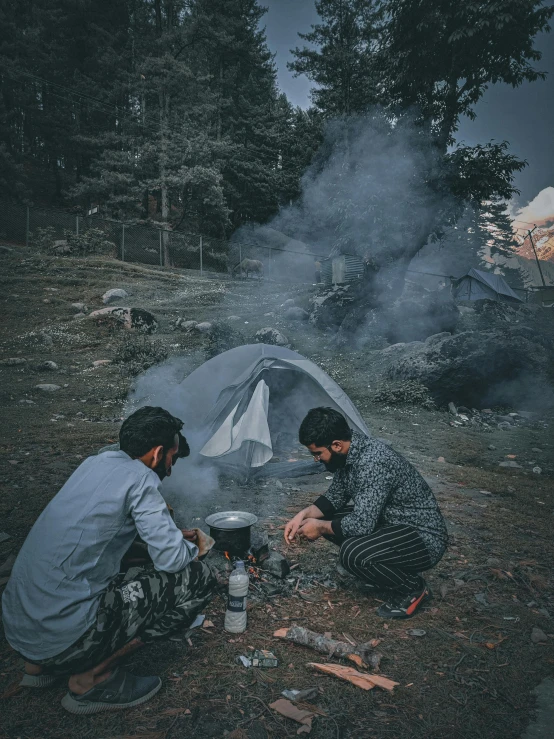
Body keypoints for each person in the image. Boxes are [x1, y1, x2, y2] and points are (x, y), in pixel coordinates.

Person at [2, 406, 217, 715]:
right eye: (171, 458)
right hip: (61, 639)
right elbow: (171, 561)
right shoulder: (142, 479)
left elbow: (97, 538)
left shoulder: (95, 463)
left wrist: (165, 536)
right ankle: (92, 679)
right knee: (199, 578)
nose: (170, 469)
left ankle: (36, 668)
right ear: (157, 453)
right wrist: (196, 545)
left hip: (21, 629)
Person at [284, 407, 448, 619]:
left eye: (318, 453)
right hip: (393, 523)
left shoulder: (372, 462)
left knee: (353, 554)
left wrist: (320, 527)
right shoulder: (348, 454)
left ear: (336, 445)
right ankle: (383, 569)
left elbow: (362, 524)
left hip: (423, 537)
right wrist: (304, 515)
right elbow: (335, 496)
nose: (316, 459)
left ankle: (414, 589)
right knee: (326, 519)